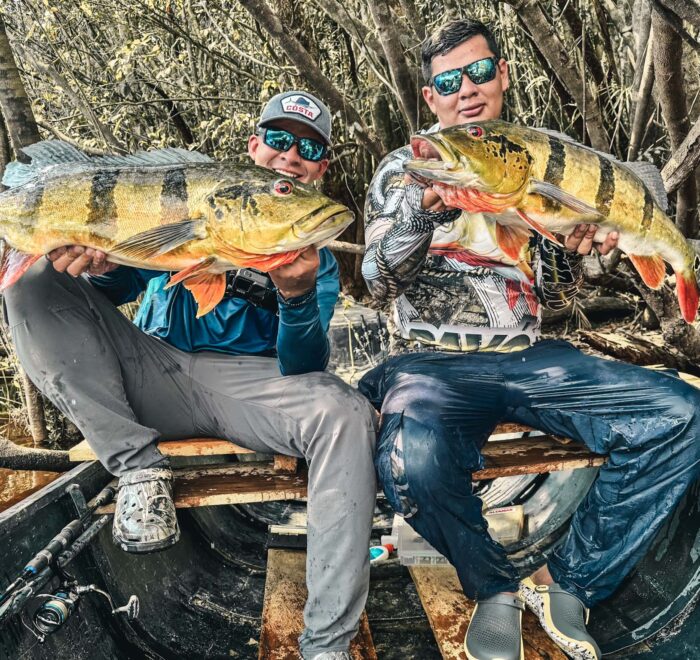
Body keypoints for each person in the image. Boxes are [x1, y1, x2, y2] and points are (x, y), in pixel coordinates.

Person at [359, 19, 700, 660]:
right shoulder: (408, 167)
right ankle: (492, 586)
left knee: (683, 415)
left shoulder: (541, 154)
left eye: (481, 71)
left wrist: (588, 248)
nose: (468, 90)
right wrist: (425, 211)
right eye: (449, 81)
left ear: (503, 76)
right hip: (431, 363)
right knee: (415, 465)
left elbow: (570, 275)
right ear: (430, 97)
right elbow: (375, 277)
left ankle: (565, 581)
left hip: (530, 356)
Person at [4, 90, 377, 660]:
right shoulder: (184, 202)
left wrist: (296, 296)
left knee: (346, 413)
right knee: (32, 283)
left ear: (321, 169)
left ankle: (326, 644)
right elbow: (103, 298)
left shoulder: (315, 257)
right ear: (254, 147)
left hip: (246, 389)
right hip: (150, 371)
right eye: (278, 139)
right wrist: (95, 261)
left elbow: (303, 368)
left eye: (308, 147)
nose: (291, 155)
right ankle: (137, 470)